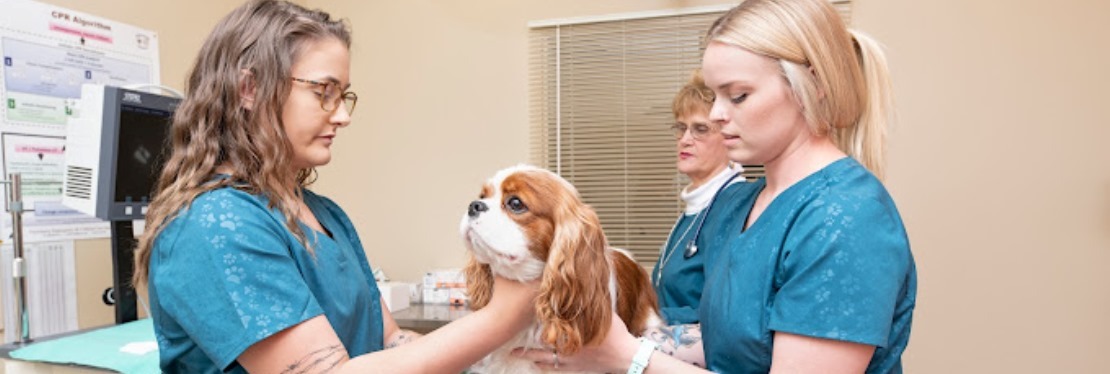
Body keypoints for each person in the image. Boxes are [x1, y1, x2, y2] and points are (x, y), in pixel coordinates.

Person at [131, 1, 535, 373]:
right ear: (249, 89)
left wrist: (517, 356)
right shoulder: (214, 224)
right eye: (324, 92)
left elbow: (391, 342)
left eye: (344, 96)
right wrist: (503, 317)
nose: (342, 116)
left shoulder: (325, 215)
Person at [515, 0, 917, 373]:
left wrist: (630, 358)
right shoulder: (737, 205)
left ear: (813, 84)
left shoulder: (846, 217)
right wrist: (593, 341)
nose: (717, 113)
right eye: (714, 96)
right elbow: (728, 342)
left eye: (738, 96)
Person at [652, 69, 743, 326]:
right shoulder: (694, 209)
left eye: (700, 129)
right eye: (681, 128)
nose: (685, 140)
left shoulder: (736, 206)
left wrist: (644, 319)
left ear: (730, 137)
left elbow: (724, 312)